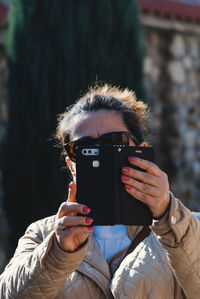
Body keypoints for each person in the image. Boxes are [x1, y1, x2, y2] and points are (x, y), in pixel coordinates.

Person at [0, 84, 200, 299]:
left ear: (140, 150)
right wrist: (58, 253)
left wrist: (167, 216)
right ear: (71, 165)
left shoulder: (187, 228)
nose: (102, 154)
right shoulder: (43, 234)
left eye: (114, 142)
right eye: (84, 148)